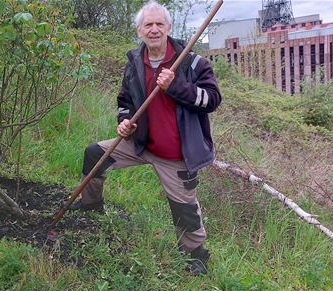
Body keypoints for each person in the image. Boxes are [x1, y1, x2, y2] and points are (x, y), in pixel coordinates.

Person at [69, 0, 221, 276]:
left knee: (185, 209)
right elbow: (125, 100)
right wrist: (124, 122)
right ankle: (90, 211)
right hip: (140, 144)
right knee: (94, 155)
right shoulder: (135, 63)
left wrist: (175, 86)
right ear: (139, 30)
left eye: (159, 24)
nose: (153, 30)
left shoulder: (192, 62)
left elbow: (211, 100)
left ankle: (195, 254)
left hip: (177, 154)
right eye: (147, 25)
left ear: (169, 27)